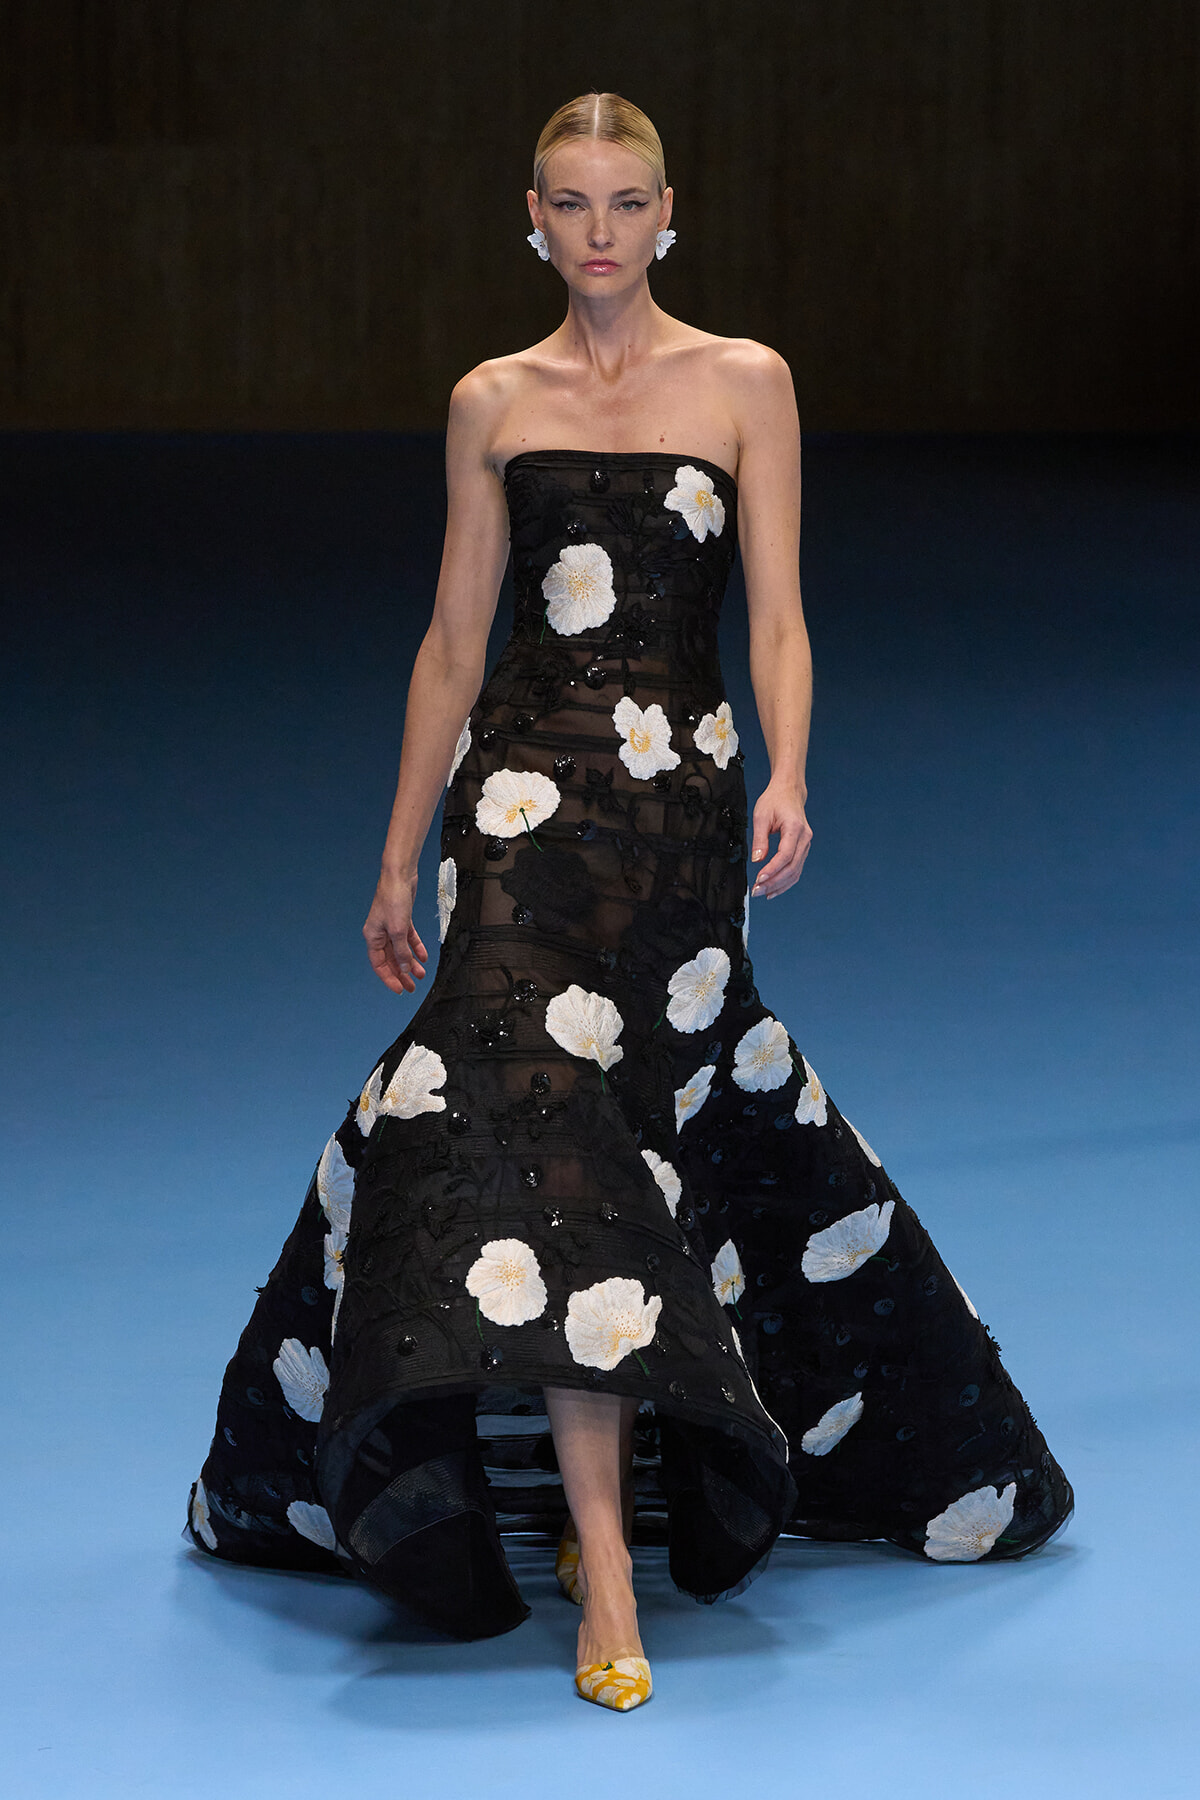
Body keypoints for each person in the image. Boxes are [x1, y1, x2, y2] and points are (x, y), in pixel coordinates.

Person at [186, 91, 1073, 1713]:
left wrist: (793, 771)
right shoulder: (489, 400)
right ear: (531, 220)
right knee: (533, 1124)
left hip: (677, 816)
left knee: (634, 1120)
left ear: (673, 216)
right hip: (517, 805)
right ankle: (604, 1554)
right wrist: (396, 855)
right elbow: (453, 645)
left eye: (628, 203)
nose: (601, 233)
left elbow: (783, 618)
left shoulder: (746, 383)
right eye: (572, 205)